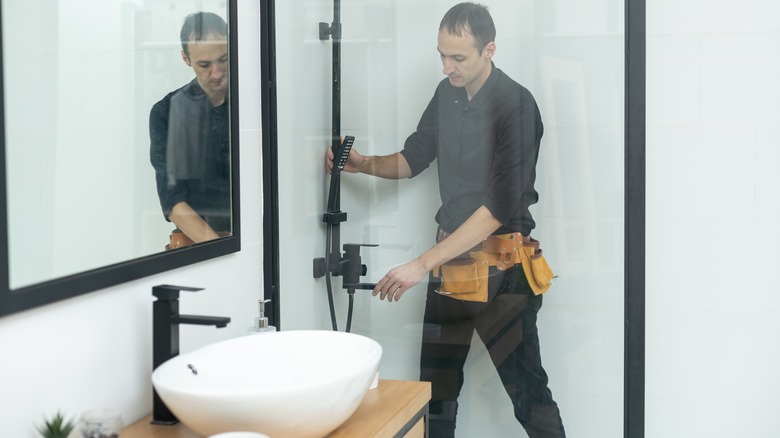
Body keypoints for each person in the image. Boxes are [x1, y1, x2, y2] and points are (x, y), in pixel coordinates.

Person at [325, 3, 565, 437]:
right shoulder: (446, 93)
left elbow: (496, 209)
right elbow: (414, 157)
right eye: (442, 55)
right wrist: (363, 165)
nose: (447, 66)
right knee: (434, 398)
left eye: (458, 58)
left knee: (529, 396)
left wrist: (420, 265)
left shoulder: (518, 105)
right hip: (451, 270)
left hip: (502, 273)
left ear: (489, 49)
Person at [149, 11, 231, 249]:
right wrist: (221, 252)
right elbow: (173, 201)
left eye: (224, 59)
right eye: (204, 65)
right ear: (186, 58)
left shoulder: (257, 103)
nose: (216, 73)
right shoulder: (167, 112)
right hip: (201, 245)